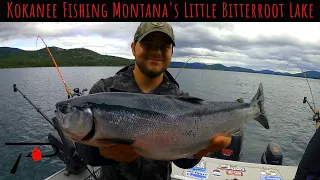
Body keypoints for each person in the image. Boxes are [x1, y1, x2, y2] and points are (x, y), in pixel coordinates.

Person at [75, 22, 231, 180]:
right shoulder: (104, 90)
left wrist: (199, 150)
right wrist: (103, 153)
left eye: (164, 47)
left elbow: (183, 161)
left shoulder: (182, 100)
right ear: (133, 47)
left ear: (171, 51)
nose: (156, 52)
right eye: (148, 45)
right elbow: (86, 152)